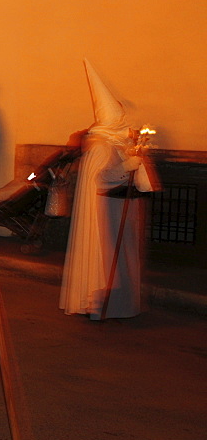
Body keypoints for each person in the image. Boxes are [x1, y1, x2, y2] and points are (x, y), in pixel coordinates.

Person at [59, 59, 155, 320]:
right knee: (108, 260)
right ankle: (101, 304)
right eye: (120, 115)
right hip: (106, 213)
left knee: (121, 259)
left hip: (117, 208)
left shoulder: (114, 141)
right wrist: (127, 165)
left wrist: (134, 159)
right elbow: (102, 178)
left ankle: (117, 304)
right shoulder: (101, 144)